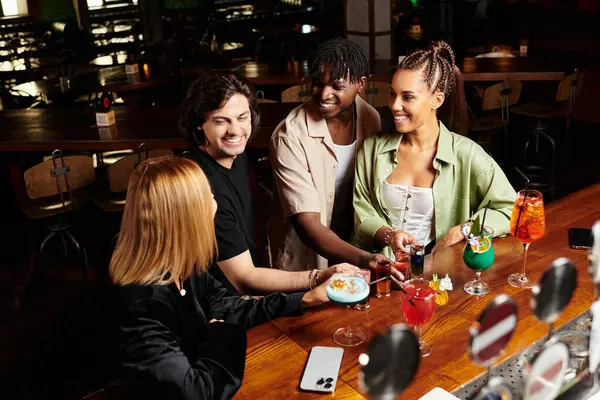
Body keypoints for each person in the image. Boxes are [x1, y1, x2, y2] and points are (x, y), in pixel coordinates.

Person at [111, 156, 335, 399]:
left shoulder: (182, 263)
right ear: (184, 218)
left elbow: (227, 307)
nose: (215, 204)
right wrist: (221, 336)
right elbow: (195, 393)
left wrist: (303, 299)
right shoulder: (142, 304)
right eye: (208, 196)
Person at [179, 71, 357, 295]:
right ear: (199, 124)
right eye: (221, 121)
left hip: (253, 286)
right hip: (225, 305)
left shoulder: (237, 156)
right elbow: (244, 278)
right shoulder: (202, 188)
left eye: (242, 118)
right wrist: (319, 276)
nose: (235, 130)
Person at [353, 41, 516, 259]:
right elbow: (362, 212)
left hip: (438, 277)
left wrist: (462, 230)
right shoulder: (372, 150)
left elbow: (511, 210)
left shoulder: (467, 155)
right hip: (374, 272)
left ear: (436, 100)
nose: (394, 105)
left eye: (407, 97)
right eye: (393, 94)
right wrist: (389, 235)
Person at [269, 38, 399, 280]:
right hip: (308, 256)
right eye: (318, 83)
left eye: (337, 86)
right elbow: (307, 223)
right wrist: (362, 258)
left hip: (356, 241)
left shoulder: (370, 118)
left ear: (360, 84)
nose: (324, 94)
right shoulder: (290, 135)